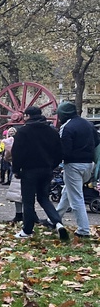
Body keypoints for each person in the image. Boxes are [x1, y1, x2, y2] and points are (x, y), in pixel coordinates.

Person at [11, 105, 69, 240]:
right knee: (44, 198)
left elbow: (17, 153)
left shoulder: (23, 132)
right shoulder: (52, 131)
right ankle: (58, 222)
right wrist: (52, 165)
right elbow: (59, 152)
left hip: (29, 170)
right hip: (46, 169)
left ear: (27, 116)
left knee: (28, 201)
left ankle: (27, 229)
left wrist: (16, 170)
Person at [55, 101, 99, 239]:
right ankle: (54, 218)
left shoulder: (66, 127)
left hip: (73, 164)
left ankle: (83, 229)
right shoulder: (89, 124)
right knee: (68, 192)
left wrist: (56, 162)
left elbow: (65, 149)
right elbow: (97, 142)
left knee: (76, 198)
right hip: (89, 164)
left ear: (63, 114)